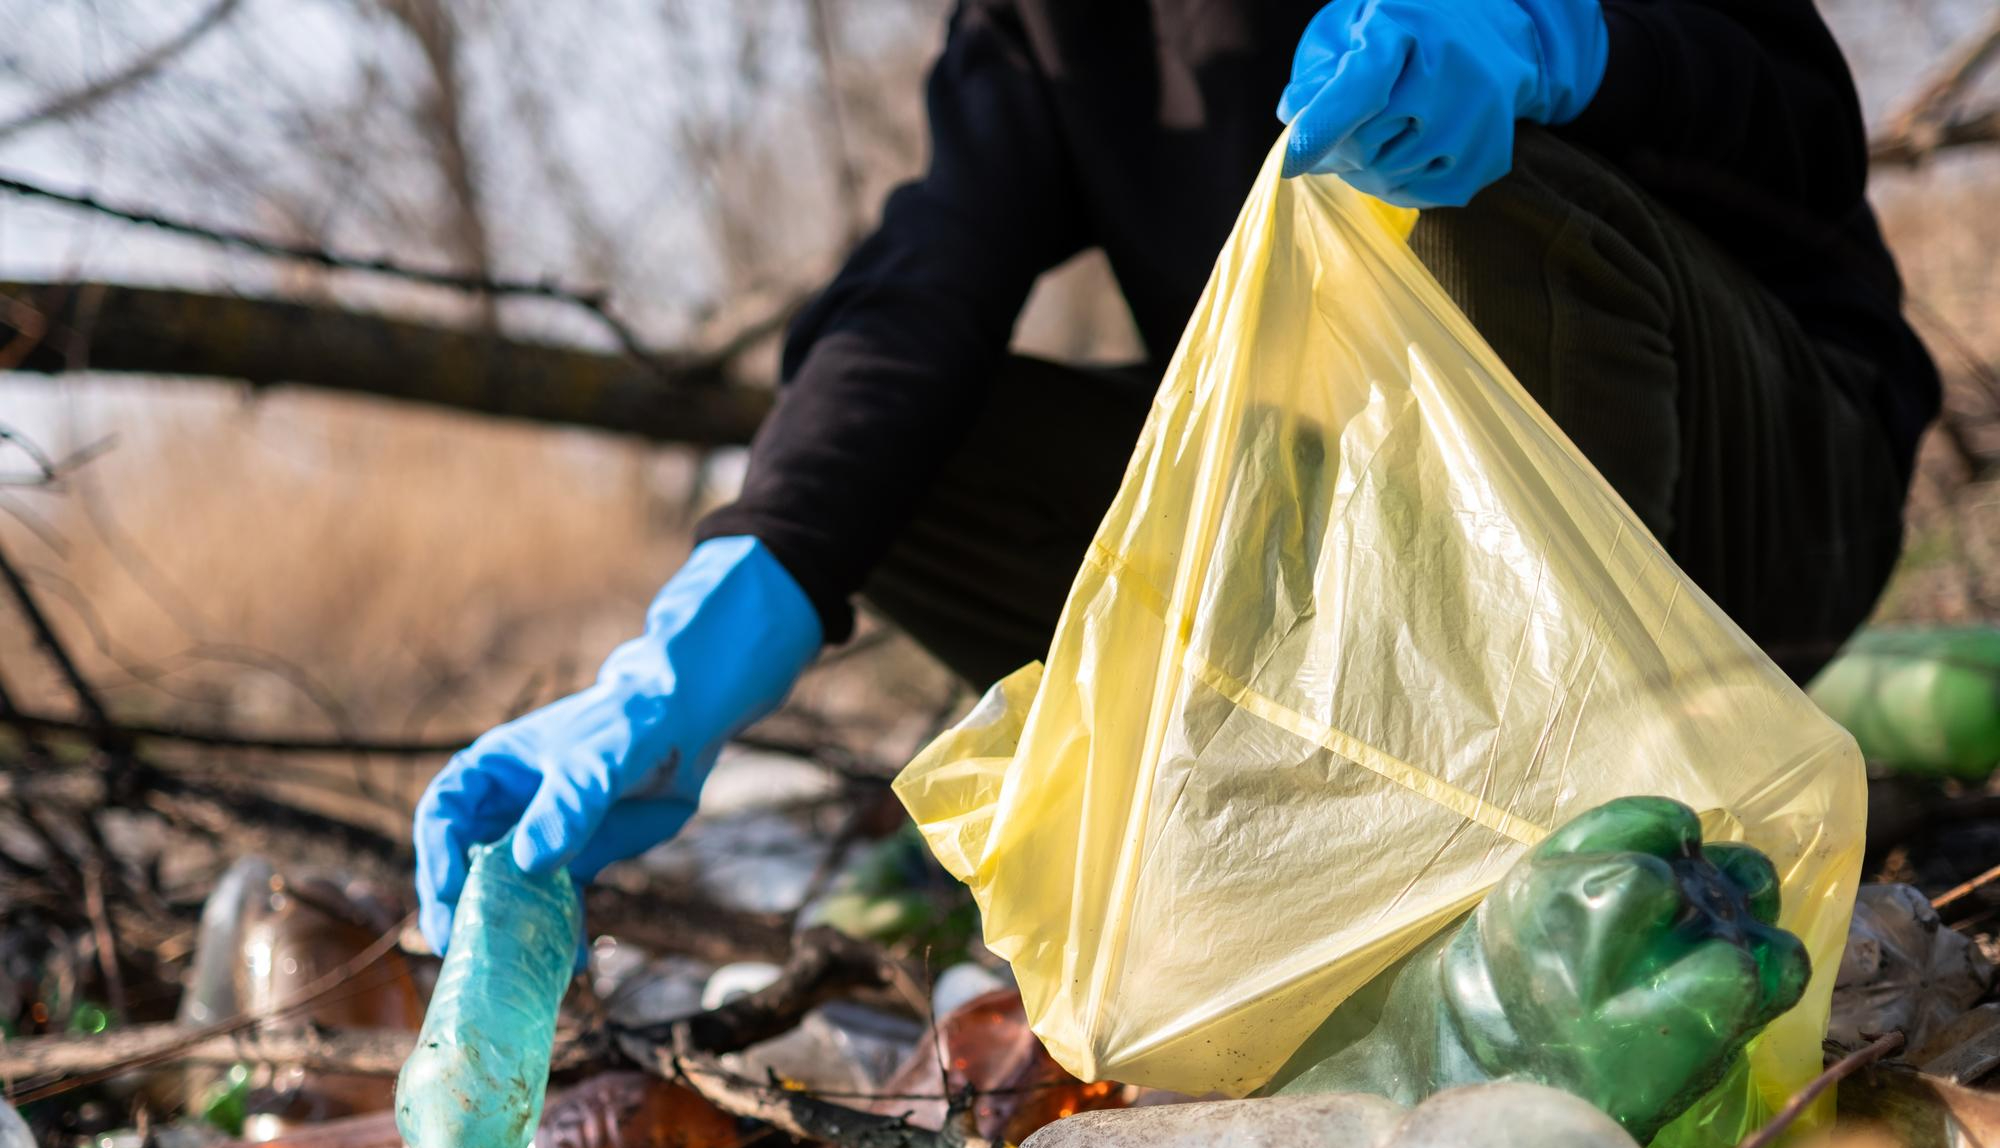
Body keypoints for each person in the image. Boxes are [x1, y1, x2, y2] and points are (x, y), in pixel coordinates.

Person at [413, 0, 1940, 951]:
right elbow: (916, 297)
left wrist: (1549, 43)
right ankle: (1356, 835)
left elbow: (1795, 108)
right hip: (1373, 543)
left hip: (1743, 504)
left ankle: (1588, 873)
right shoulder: (1062, 24)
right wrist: (700, 639)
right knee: (898, 458)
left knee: (1477, 185)